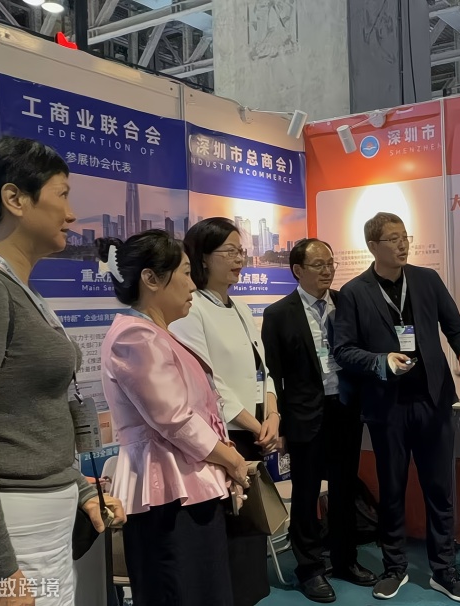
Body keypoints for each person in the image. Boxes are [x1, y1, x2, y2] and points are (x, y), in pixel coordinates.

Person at [0, 136, 126, 605]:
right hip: (13, 528)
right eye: (62, 194)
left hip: (46, 522)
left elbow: (27, 417)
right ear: (14, 199)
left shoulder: (17, 288)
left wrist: (80, 489)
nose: (71, 215)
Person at [97, 230, 249, 606]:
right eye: (184, 272)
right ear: (151, 279)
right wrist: (231, 459)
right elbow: (175, 419)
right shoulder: (135, 337)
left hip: (187, 489)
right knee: (181, 591)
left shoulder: (154, 333)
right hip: (166, 493)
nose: (192, 284)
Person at [333, 212, 460, 603]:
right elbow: (343, 350)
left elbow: (455, 325)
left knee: (439, 490)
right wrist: (382, 361)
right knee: (392, 491)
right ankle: (394, 567)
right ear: (372, 246)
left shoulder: (427, 280)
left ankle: (444, 570)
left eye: (405, 237)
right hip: (387, 407)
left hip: (433, 401)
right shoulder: (354, 292)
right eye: (393, 239)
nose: (402, 244)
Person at [168, 218, 278, 606]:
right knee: (229, 542)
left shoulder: (242, 308)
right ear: (202, 257)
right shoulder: (191, 310)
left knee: (251, 538)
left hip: (255, 434)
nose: (239, 259)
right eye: (229, 251)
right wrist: (255, 424)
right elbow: (208, 383)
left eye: (240, 251)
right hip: (223, 441)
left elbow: (263, 369)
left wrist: (273, 415)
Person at [262, 238, 378, 603]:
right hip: (304, 416)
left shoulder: (346, 303)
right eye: (319, 265)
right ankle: (310, 569)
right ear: (298, 270)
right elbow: (273, 374)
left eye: (331, 263)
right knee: (307, 493)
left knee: (344, 490)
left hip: (344, 410)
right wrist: (280, 423)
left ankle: (345, 560)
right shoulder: (279, 314)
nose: (328, 270)